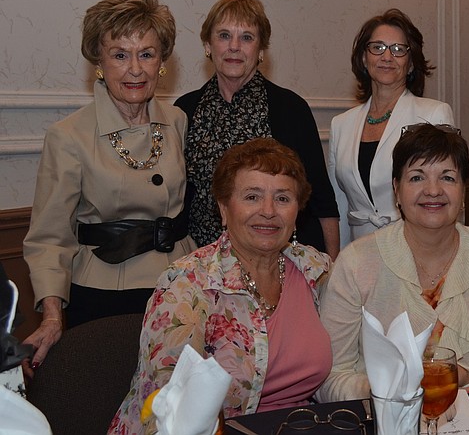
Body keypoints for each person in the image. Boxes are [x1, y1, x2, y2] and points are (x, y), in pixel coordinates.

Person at [110, 138, 333, 433]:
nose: (268, 210)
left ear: (297, 212)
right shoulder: (187, 285)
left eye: (282, 198)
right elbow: (166, 411)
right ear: (224, 209)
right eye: (252, 197)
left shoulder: (315, 270)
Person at [22, 0, 194, 372]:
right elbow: (49, 238)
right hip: (103, 297)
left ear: (162, 62)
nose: (135, 69)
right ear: (98, 62)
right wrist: (52, 317)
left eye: (147, 54)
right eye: (120, 54)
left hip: (178, 291)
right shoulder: (68, 136)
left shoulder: (178, 122)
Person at [317, 124, 469, 401]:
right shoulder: (356, 264)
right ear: (396, 190)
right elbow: (329, 379)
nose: (433, 190)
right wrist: (383, 391)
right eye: (417, 178)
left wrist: (466, 376)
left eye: (448, 178)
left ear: (463, 190)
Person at [176, 0, 340, 258]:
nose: (234, 47)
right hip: (205, 265)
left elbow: (321, 197)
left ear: (261, 50)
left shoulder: (291, 109)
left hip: (281, 259)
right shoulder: (184, 110)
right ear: (208, 45)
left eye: (247, 38)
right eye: (224, 36)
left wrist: (331, 269)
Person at [328, 9, 454, 248]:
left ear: (410, 64)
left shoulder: (434, 114)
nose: (387, 56)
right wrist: (340, 262)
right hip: (359, 255)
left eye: (398, 49)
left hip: (416, 250)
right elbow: (340, 204)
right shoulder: (341, 124)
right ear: (364, 59)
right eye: (377, 47)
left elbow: (447, 196)